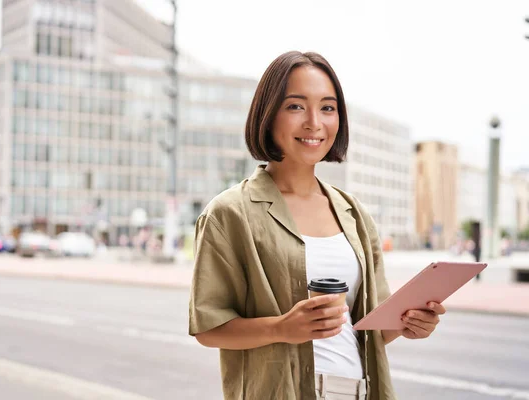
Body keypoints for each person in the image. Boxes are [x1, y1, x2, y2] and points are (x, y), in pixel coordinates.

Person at [188, 51, 446, 400]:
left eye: (327, 108)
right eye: (296, 106)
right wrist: (282, 328)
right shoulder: (230, 213)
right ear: (268, 115)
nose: (314, 122)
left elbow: (369, 332)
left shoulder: (354, 214)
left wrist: (408, 323)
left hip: (358, 391)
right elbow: (209, 327)